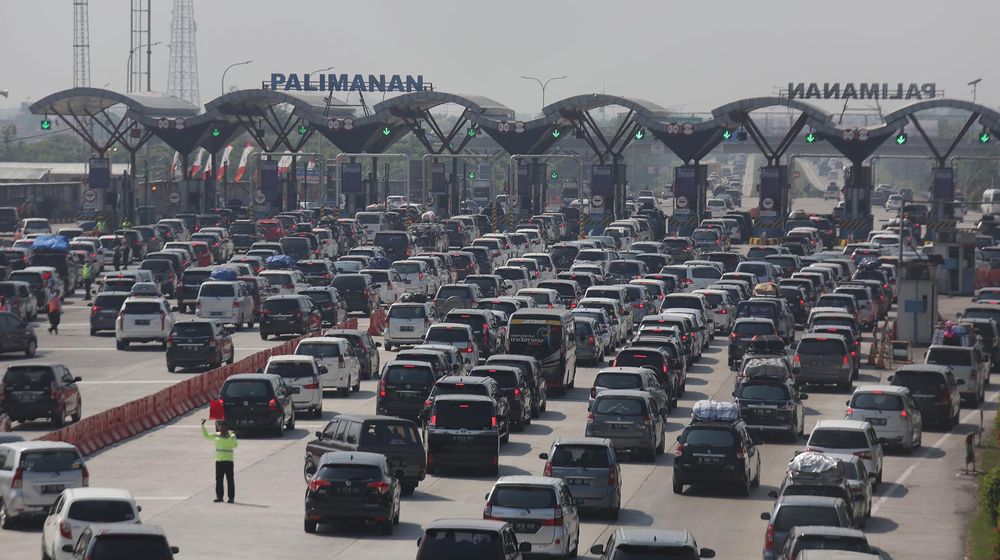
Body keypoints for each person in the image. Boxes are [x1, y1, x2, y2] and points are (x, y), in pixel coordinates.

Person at [201, 418, 238, 503]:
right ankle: (219, 497)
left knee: (230, 480)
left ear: (226, 428)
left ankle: (231, 498)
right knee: (219, 480)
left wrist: (228, 437)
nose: (221, 430)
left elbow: (234, 445)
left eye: (223, 428)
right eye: (220, 428)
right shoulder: (216, 435)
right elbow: (206, 435)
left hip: (228, 461)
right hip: (219, 461)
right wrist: (203, 426)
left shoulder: (232, 436)